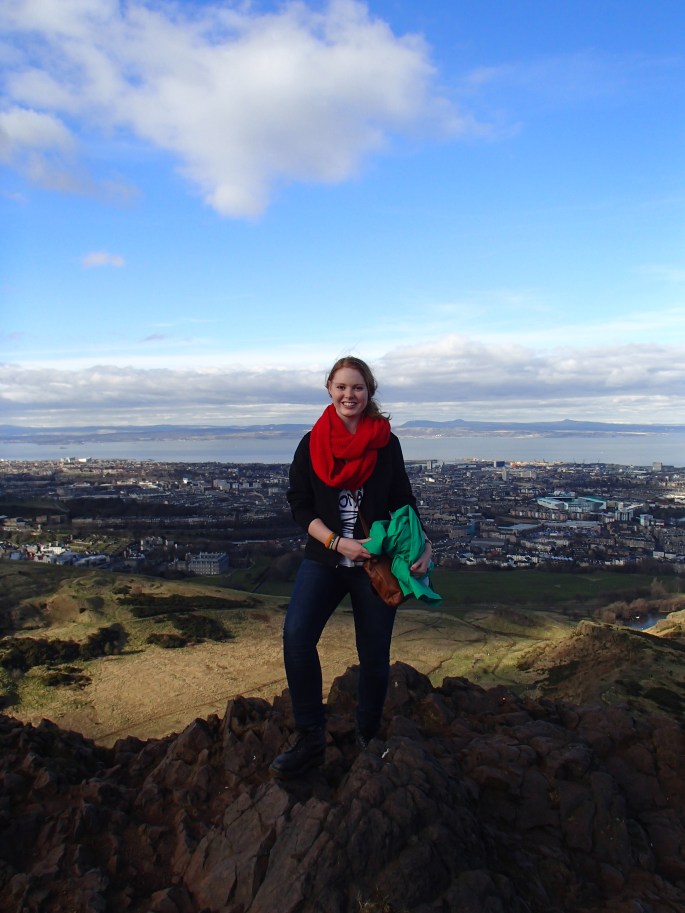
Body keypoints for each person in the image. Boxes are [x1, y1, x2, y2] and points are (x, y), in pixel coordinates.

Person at [269, 356, 432, 779]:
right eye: (341, 387)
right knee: (297, 635)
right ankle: (310, 737)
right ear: (329, 389)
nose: (349, 395)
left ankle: (366, 733)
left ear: (369, 392)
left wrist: (425, 546)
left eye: (357, 387)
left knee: (374, 655)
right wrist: (336, 541)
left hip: (376, 565)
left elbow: (403, 502)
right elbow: (299, 505)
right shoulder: (312, 442)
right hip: (325, 558)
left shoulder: (386, 443)